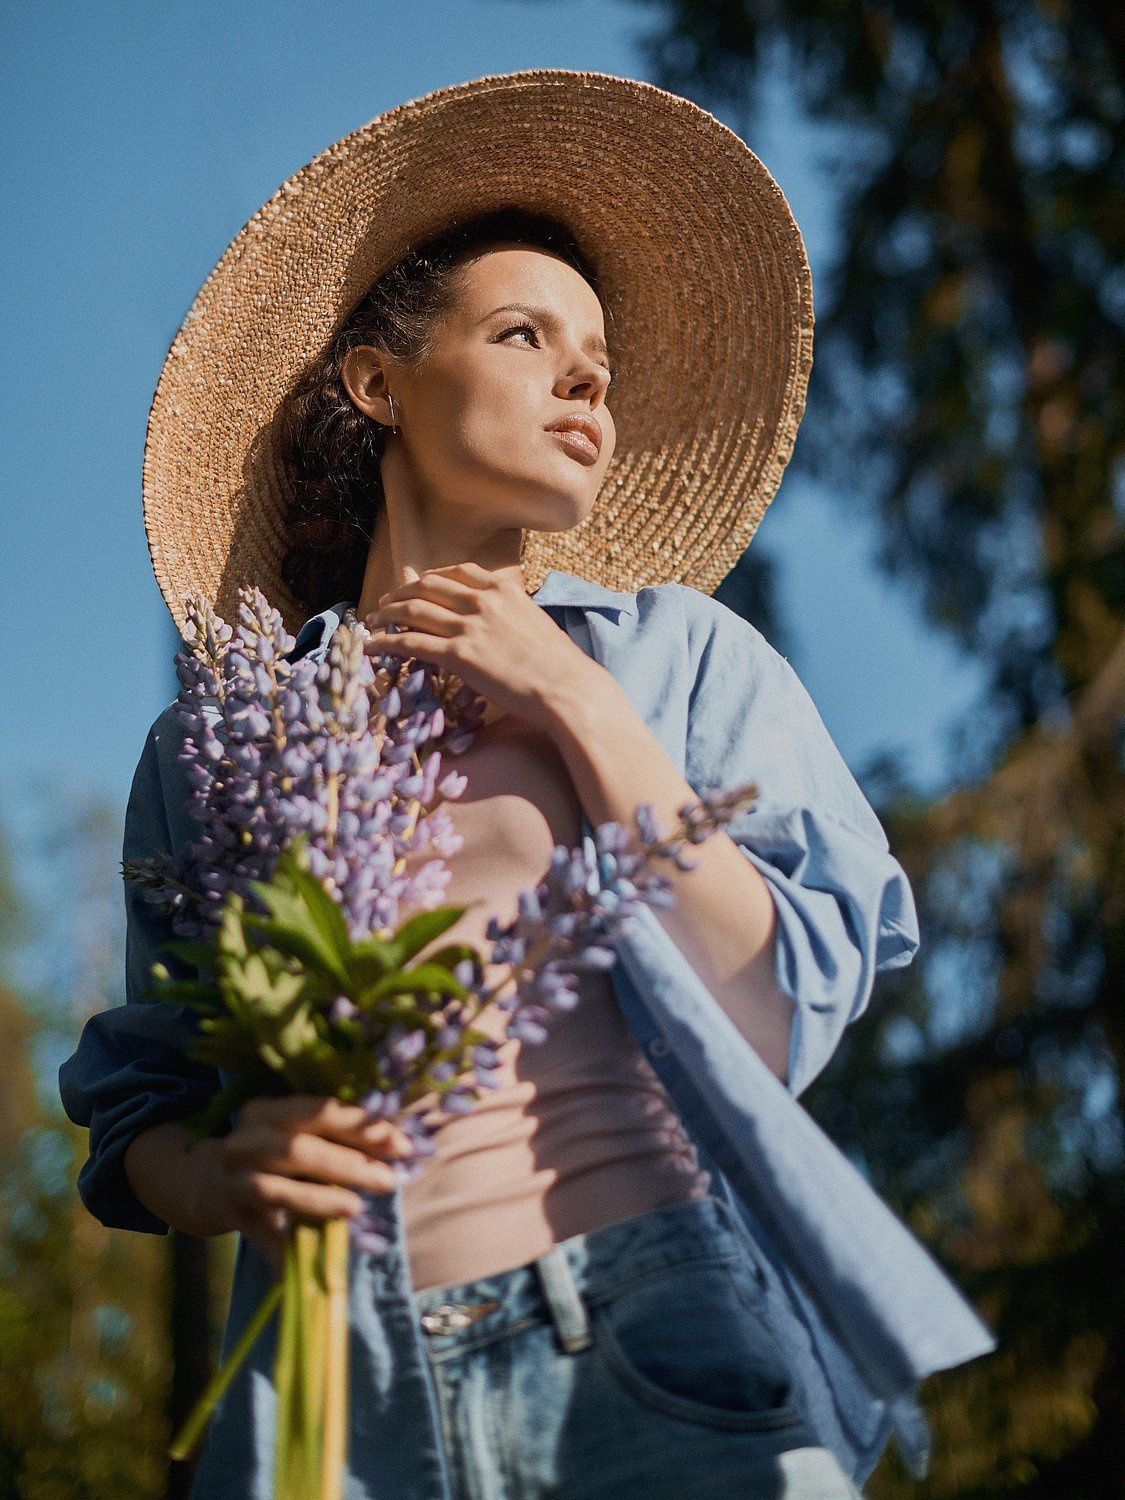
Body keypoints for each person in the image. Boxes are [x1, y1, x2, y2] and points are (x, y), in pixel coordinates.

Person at [59, 71, 993, 1500]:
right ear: (377, 382)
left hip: (649, 1341)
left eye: (599, 357)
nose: (586, 379)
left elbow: (778, 1006)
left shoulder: (681, 659)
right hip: (333, 1395)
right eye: (523, 334)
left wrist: (570, 700)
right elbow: (140, 1123)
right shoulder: (222, 740)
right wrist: (227, 1170)